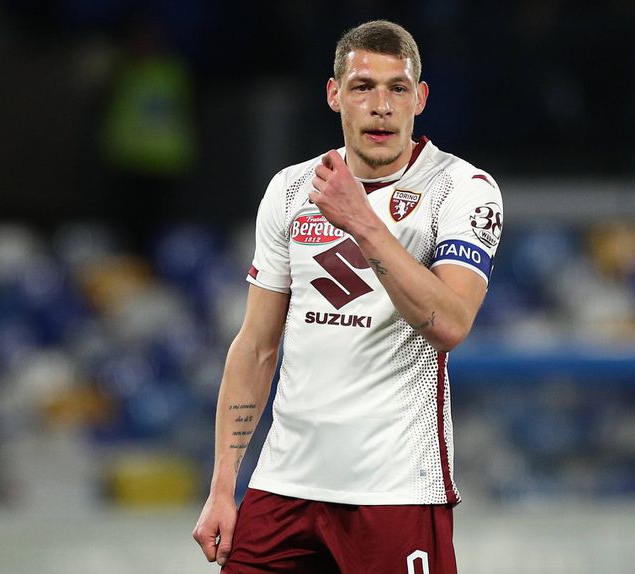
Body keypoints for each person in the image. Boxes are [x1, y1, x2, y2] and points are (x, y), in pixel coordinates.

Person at [192, 20, 503, 573]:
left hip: (396, 490)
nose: (381, 106)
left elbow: (451, 323)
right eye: (363, 87)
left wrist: (362, 220)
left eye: (397, 88)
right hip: (283, 486)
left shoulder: (462, 189)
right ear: (334, 94)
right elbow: (256, 346)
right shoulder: (291, 189)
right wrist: (222, 488)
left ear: (420, 98)